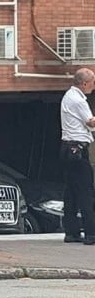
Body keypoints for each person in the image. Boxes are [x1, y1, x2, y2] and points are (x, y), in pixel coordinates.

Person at [58, 68, 95, 244]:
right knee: (86, 191)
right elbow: (90, 122)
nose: (93, 87)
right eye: (93, 82)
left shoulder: (68, 96)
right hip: (79, 149)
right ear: (85, 83)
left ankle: (71, 232)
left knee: (71, 191)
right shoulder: (79, 100)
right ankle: (91, 233)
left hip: (67, 148)